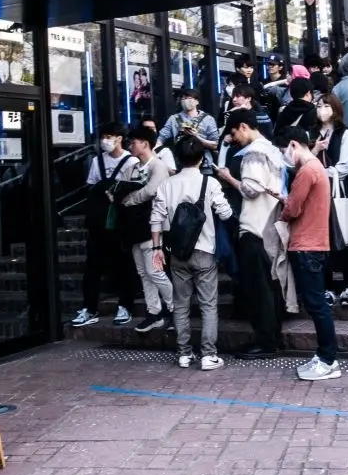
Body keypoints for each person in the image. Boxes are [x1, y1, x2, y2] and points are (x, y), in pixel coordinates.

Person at [150, 136, 234, 370]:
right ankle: (208, 355)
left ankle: (184, 353)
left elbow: (156, 218)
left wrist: (157, 249)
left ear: (178, 157)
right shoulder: (210, 183)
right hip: (205, 250)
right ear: (201, 158)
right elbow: (226, 214)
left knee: (181, 304)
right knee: (208, 304)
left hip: (177, 252)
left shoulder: (167, 184)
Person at [219, 109, 285, 358]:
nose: (234, 138)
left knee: (259, 289)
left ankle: (266, 342)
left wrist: (228, 178)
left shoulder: (253, 153)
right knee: (269, 287)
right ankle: (270, 338)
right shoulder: (272, 149)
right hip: (271, 225)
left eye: (234, 132)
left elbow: (251, 189)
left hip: (255, 227)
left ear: (244, 127)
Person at [277, 127, 340, 381]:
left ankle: (328, 359)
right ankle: (325, 355)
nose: (284, 155)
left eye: (284, 150)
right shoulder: (317, 169)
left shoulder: (306, 171)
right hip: (314, 243)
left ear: (293, 144)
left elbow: (292, 209)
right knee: (317, 305)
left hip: (306, 244)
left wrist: (285, 204)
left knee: (317, 306)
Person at [73, 123, 138, 328]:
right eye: (103, 137)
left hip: (121, 220)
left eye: (110, 136)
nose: (105, 141)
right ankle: (89, 308)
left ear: (120, 138)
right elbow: (91, 186)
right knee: (92, 267)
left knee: (123, 264)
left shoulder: (131, 161)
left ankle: (125, 305)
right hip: (99, 222)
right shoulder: (96, 161)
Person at [119, 125, 174, 332]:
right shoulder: (131, 168)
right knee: (144, 272)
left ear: (145, 143)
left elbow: (151, 191)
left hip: (154, 226)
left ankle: (174, 309)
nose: (130, 146)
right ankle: (154, 312)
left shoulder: (158, 166)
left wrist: (129, 199)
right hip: (134, 227)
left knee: (156, 271)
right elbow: (119, 188)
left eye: (133, 142)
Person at [314, 93, 348, 306]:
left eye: (326, 106)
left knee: (344, 235)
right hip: (318, 193)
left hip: (339, 190)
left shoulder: (345, 133)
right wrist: (316, 150)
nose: (321, 110)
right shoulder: (313, 133)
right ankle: (328, 287)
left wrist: (324, 172)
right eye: (319, 106)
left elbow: (346, 166)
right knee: (324, 240)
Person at [156, 88, 220, 166]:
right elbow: (161, 137)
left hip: (203, 164)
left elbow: (215, 144)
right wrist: (155, 150)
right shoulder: (174, 119)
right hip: (180, 163)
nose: (186, 101)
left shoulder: (208, 119)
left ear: (197, 101)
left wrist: (197, 137)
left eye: (189, 98)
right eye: (184, 98)